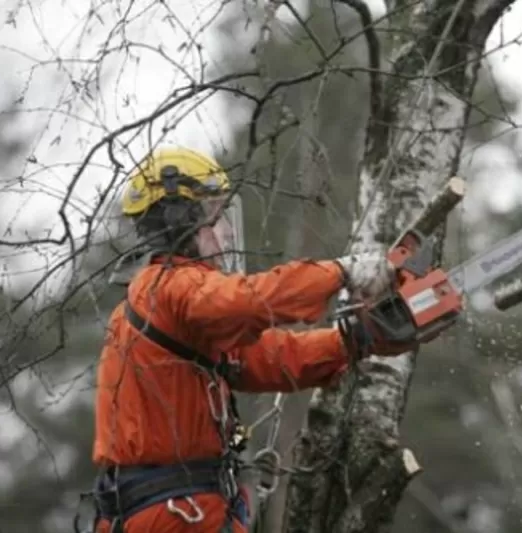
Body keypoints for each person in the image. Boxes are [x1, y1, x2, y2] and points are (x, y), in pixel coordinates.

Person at [88, 146, 422, 533]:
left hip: (179, 507)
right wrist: (340, 273)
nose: (228, 230)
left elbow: (270, 357)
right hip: (175, 513)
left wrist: (354, 340)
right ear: (182, 220)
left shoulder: (175, 307)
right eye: (217, 217)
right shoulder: (169, 287)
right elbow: (247, 300)